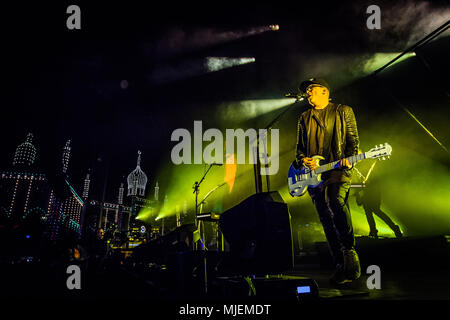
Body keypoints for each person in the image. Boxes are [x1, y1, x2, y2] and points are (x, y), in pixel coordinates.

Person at [293, 78, 361, 284]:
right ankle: (341, 265)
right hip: (314, 177)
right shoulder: (304, 117)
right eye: (306, 91)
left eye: (310, 90)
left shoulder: (343, 111)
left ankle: (349, 250)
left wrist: (351, 159)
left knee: (335, 201)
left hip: (337, 170)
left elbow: (353, 140)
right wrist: (301, 160)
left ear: (324, 91)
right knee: (326, 219)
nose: (307, 94)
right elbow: (299, 149)